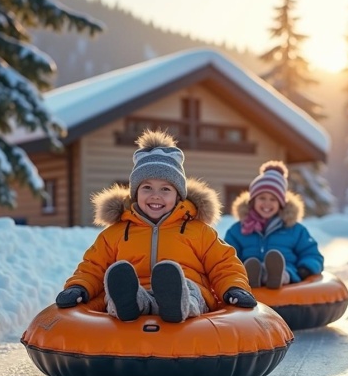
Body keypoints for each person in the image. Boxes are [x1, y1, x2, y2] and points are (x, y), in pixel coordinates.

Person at [55, 130, 257, 323]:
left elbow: (223, 264)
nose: (155, 195)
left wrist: (234, 288)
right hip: (138, 290)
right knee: (119, 290)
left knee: (189, 289)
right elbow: (93, 266)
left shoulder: (198, 230)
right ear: (135, 193)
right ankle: (129, 304)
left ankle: (177, 304)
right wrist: (79, 287)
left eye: (165, 189)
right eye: (147, 187)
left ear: (178, 195)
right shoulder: (115, 233)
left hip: (186, 289)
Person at [224, 160, 324, 289]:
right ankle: (252, 276)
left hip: (287, 276)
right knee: (248, 267)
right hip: (246, 274)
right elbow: (227, 255)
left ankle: (277, 276)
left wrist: (305, 268)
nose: (267, 203)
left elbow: (311, 253)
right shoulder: (238, 230)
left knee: (285, 271)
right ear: (252, 201)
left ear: (281, 204)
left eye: (273, 199)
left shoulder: (294, 230)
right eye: (262, 198)